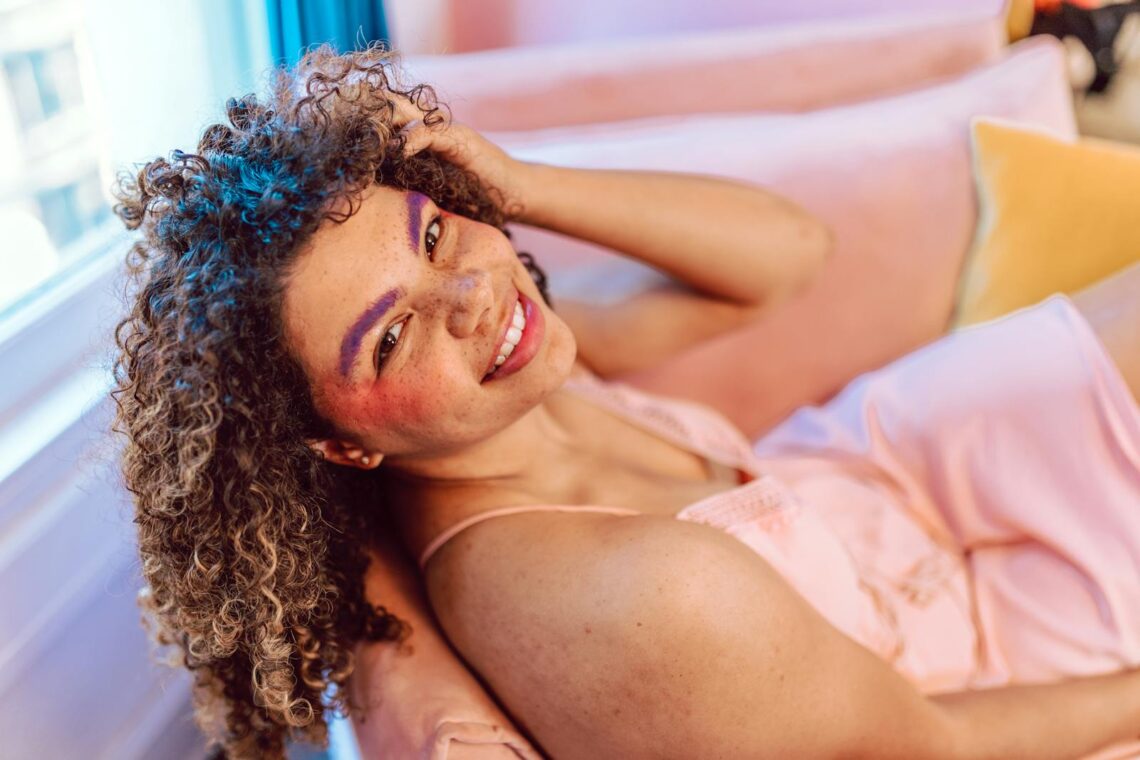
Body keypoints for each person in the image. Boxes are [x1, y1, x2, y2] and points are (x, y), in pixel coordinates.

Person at [112, 45, 1140, 760]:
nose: (475, 294)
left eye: (429, 233)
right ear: (338, 448)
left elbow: (792, 256)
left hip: (880, 466)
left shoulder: (515, 384)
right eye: (390, 335)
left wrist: (516, 187)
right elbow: (937, 742)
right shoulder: (613, 599)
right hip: (974, 672)